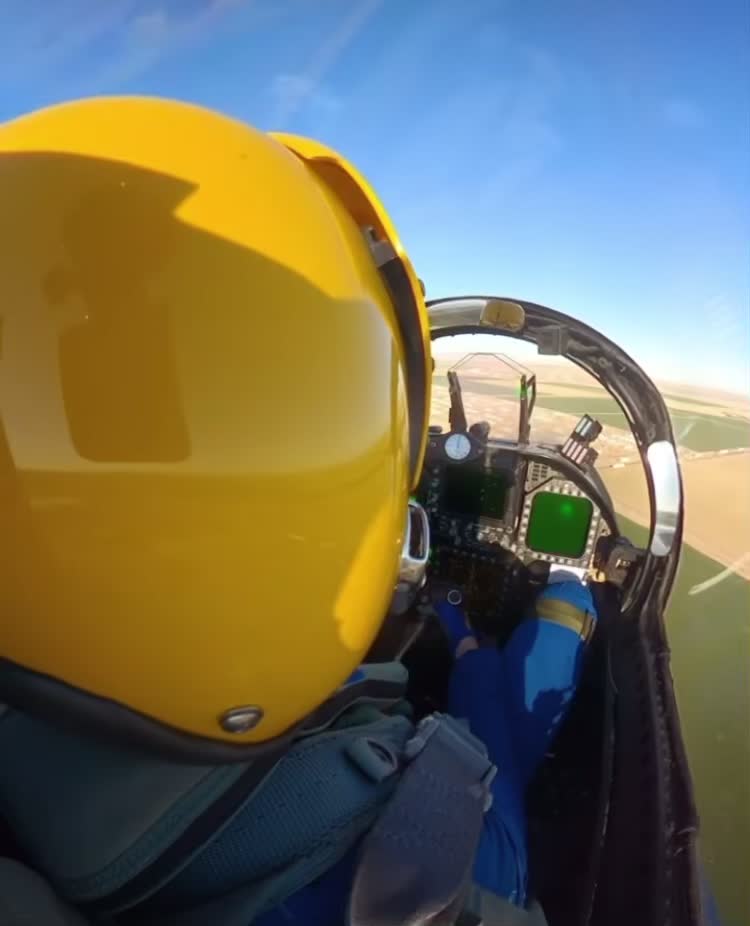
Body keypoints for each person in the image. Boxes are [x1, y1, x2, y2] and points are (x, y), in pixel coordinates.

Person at [0, 97, 597, 926]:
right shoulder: (440, 875)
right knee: (492, 723)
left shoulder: (45, 654)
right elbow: (491, 736)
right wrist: (542, 603)